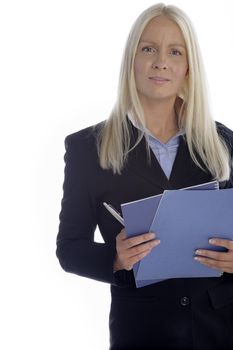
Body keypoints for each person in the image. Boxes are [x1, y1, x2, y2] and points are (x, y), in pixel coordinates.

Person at [56, 3, 233, 349]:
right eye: (148, 48)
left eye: (175, 51)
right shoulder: (87, 149)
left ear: (188, 68)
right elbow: (69, 249)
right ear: (131, 61)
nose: (160, 62)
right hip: (142, 332)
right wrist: (116, 259)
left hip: (220, 331)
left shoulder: (225, 143)